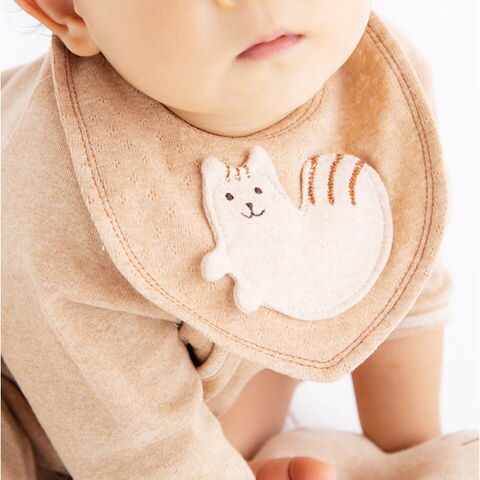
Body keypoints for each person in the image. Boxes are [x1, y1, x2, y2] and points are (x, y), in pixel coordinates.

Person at [2, 1, 467, 479]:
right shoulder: (64, 200)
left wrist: (412, 455)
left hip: (216, 389)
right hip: (51, 413)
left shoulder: (376, 85)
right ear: (67, 9)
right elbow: (143, 447)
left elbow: (398, 276)